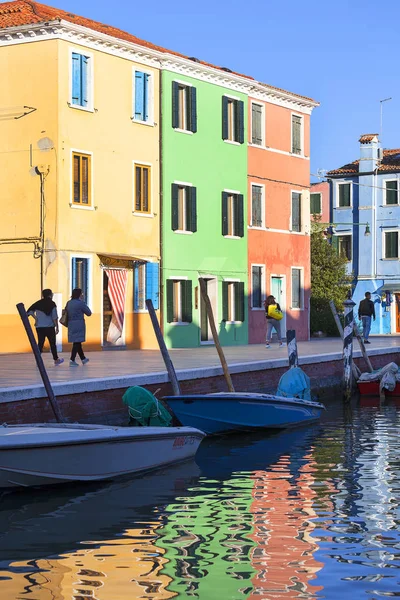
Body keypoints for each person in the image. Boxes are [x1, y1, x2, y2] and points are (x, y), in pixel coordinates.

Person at [27, 289, 64, 365]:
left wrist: (36, 318)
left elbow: (29, 311)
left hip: (39, 327)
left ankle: (38, 360)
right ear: (50, 295)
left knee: (40, 343)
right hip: (50, 327)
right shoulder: (52, 304)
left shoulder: (38, 303)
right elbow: (54, 317)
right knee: (52, 344)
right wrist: (57, 327)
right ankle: (56, 360)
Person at [66, 288, 92, 366]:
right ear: (79, 295)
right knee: (77, 342)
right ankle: (72, 360)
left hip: (71, 324)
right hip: (79, 324)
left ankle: (83, 358)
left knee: (77, 341)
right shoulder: (80, 303)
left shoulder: (69, 303)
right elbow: (89, 313)